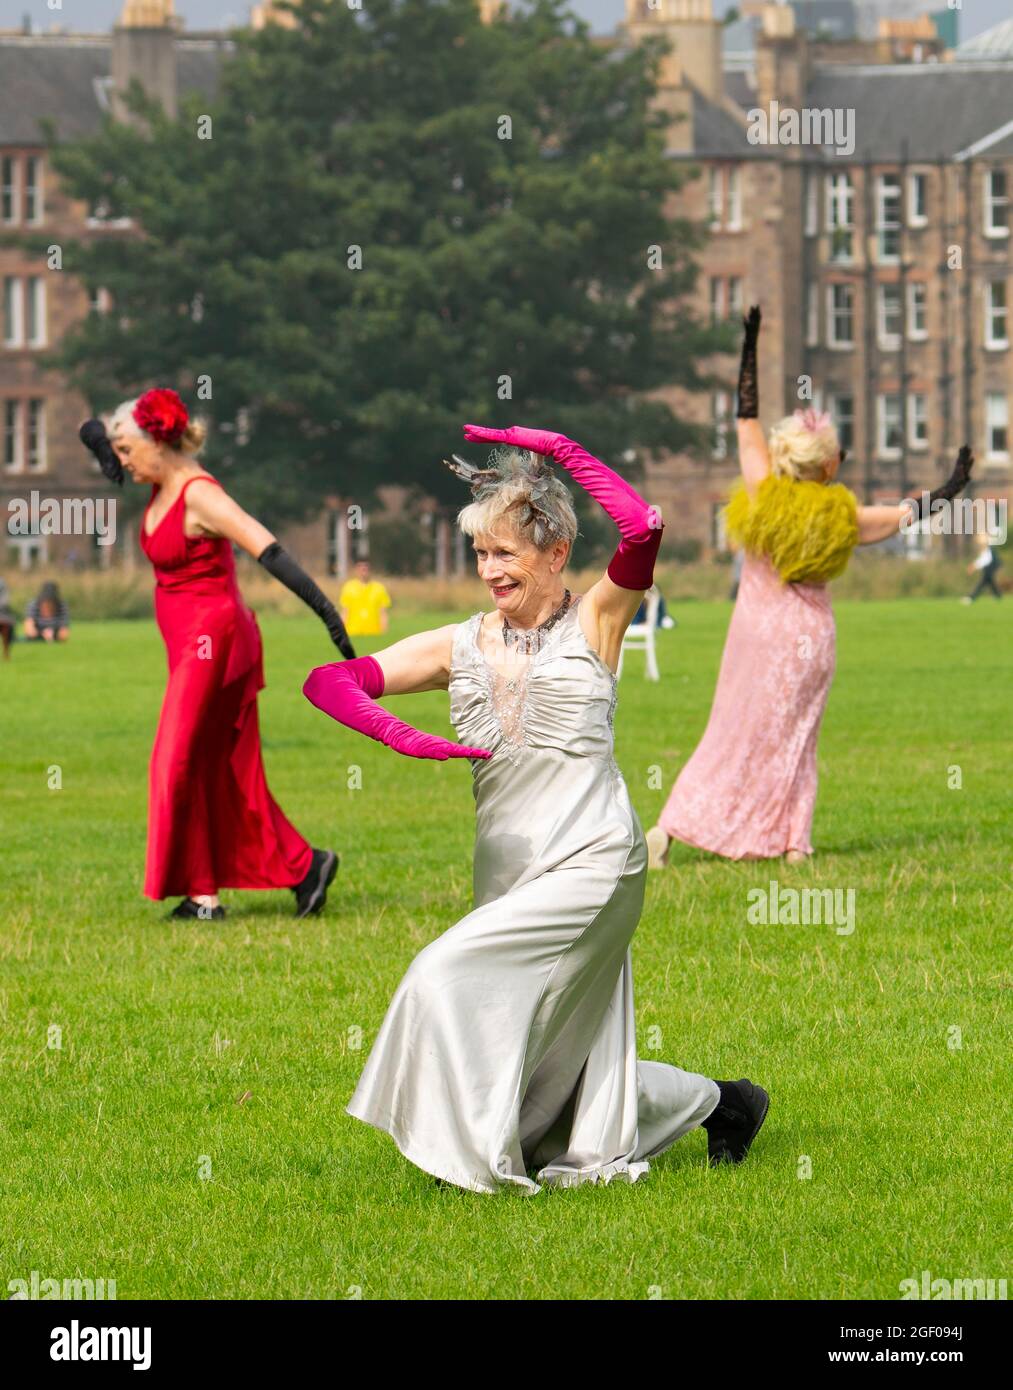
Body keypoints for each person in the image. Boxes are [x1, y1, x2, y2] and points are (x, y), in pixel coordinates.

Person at [302, 423, 770, 1195]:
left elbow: (642, 526)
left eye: (506, 552)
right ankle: (723, 1103)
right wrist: (403, 737)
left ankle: (467, 1163)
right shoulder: (459, 643)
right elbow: (329, 680)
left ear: (556, 553)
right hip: (507, 867)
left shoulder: (599, 619)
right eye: (481, 554)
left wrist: (555, 448)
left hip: (592, 857)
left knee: (441, 972)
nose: (490, 570)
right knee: (554, 1061)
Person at [646, 306, 974, 869]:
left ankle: (672, 828)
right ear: (824, 469)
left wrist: (749, 344)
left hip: (755, 632)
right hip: (809, 640)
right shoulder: (842, 516)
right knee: (796, 739)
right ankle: (793, 840)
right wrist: (952, 484)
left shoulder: (762, 491)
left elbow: (745, 416)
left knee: (730, 729)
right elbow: (904, 515)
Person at [79, 388, 354, 921]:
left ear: (158, 443)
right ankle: (284, 874)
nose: (122, 464)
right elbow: (102, 437)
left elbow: (265, 545)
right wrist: (99, 442)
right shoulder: (158, 482)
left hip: (215, 639)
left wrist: (324, 609)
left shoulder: (200, 494)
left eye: (128, 452)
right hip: (186, 641)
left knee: (172, 760)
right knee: (211, 766)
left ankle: (210, 887)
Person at [339, 558, 391, 636]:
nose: (363, 570)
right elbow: (345, 611)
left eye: (366, 567)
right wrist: (341, 631)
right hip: (353, 632)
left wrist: (384, 631)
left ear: (370, 569)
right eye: (360, 567)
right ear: (356, 569)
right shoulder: (348, 587)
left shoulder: (379, 588)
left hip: (374, 633)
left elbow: (383, 612)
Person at [962, 535, 1003, 602]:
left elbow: (984, 560)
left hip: (989, 569)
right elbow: (982, 559)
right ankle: (998, 596)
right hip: (989, 569)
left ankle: (971, 597)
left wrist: (974, 567)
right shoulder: (987, 549)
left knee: (982, 583)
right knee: (990, 582)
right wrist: (973, 566)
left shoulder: (988, 549)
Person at [0, 576, 15, 658]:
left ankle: (6, 651)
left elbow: (5, 601)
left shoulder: (2, 584)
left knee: (9, 625)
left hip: (2, 613)